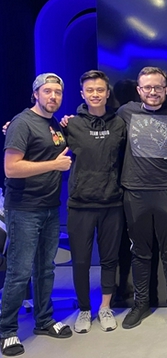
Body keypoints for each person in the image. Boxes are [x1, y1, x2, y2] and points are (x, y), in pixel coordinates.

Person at [1, 73, 73, 356]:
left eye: (58, 92)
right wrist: (53, 165)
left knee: (45, 269)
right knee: (19, 272)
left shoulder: (53, 124)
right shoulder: (22, 123)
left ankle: (44, 320)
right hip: (24, 209)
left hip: (50, 207)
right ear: (35, 94)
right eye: (47, 91)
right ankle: (7, 330)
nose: (53, 96)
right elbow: (11, 168)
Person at [117, 66, 167, 329]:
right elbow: (97, 120)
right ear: (139, 90)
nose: (153, 91)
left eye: (158, 87)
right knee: (140, 252)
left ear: (166, 90)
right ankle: (141, 303)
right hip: (135, 191)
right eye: (147, 87)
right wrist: (69, 118)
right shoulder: (126, 112)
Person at [64, 70, 126, 333]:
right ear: (82, 94)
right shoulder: (70, 124)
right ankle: (84, 309)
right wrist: (11, 127)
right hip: (80, 203)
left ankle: (105, 307)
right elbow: (45, 139)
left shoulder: (119, 123)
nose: (95, 94)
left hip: (112, 202)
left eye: (100, 90)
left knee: (109, 259)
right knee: (81, 261)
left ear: (107, 93)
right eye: (90, 90)